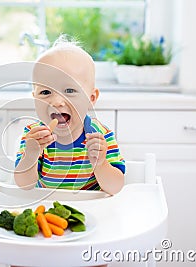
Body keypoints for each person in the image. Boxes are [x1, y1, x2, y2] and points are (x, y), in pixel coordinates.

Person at [14, 37, 125, 196]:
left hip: (90, 212)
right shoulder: (34, 136)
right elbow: (24, 185)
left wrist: (101, 164)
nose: (57, 102)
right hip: (46, 211)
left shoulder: (100, 135)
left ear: (91, 99)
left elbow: (115, 187)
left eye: (70, 91)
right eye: (45, 92)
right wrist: (30, 155)